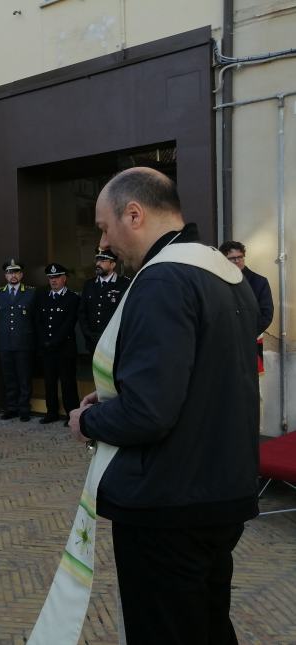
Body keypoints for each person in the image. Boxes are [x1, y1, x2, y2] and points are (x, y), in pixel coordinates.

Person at [69, 167, 259, 645]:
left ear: (134, 214)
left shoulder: (162, 280)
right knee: (209, 625)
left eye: (103, 227)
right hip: (221, 493)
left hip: (168, 504)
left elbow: (149, 413)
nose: (104, 243)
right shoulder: (225, 276)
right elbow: (200, 385)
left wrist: (89, 419)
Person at [34, 264, 80, 425]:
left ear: (64, 278)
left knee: (68, 383)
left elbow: (69, 323)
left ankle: (71, 414)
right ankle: (51, 412)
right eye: (50, 278)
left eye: (56, 277)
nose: (53, 281)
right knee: (49, 382)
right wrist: (44, 340)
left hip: (64, 348)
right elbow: (38, 321)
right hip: (47, 348)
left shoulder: (73, 298)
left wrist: (54, 341)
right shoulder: (42, 297)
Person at [219, 240, 274, 369]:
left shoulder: (259, 282)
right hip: (223, 343)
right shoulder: (217, 282)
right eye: (232, 258)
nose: (237, 261)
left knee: (250, 383)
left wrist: (245, 333)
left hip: (250, 342)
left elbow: (266, 314)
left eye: (240, 257)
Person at [0, 259, 36, 421]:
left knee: (24, 378)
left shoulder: (31, 292)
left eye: (16, 272)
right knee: (9, 378)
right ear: (5, 275)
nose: (13, 275)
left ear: (21, 274)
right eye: (10, 272)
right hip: (4, 343)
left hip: (24, 343)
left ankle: (24, 408)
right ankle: (11, 408)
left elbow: (35, 319)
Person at [78, 249, 131, 353]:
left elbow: (127, 313)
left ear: (112, 264)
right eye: (97, 260)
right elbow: (82, 312)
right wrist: (89, 335)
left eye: (103, 261)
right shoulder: (89, 284)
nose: (98, 263)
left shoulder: (124, 284)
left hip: (114, 341)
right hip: (93, 342)